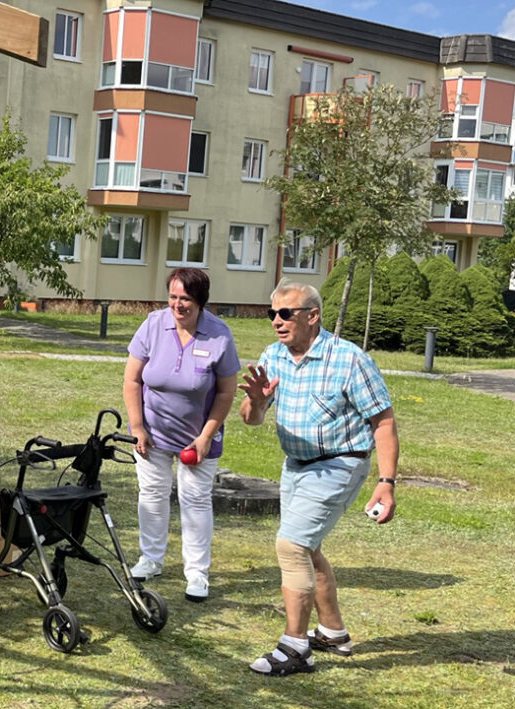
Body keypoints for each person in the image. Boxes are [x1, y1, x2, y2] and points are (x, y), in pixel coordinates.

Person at [239, 280, 398, 676]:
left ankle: (295, 648)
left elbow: (384, 421)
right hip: (296, 464)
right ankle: (332, 632)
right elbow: (251, 418)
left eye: (285, 313)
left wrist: (386, 481)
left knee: (291, 545)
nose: (276, 321)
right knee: (306, 549)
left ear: (313, 316)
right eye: (271, 313)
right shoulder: (274, 356)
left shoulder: (348, 359)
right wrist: (257, 402)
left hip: (341, 462)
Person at [123, 267, 240, 602]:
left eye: (185, 298)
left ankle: (197, 574)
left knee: (195, 500)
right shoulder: (153, 325)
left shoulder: (219, 335)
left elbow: (225, 394)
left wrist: (206, 436)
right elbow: (133, 380)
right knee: (152, 494)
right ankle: (151, 559)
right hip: (153, 433)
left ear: (200, 301)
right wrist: (137, 427)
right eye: (173, 297)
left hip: (197, 439)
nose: (177, 304)